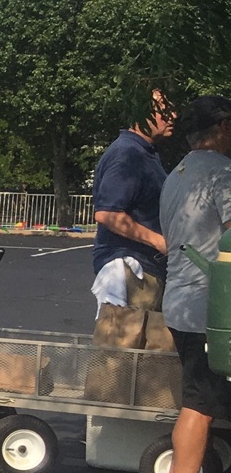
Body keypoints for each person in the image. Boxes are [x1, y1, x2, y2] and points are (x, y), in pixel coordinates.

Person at [149, 94, 231, 473]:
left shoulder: (176, 174)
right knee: (201, 403)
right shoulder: (222, 174)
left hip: (181, 301)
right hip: (212, 311)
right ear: (222, 128)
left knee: (197, 400)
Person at [90, 90, 176, 323]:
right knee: (122, 352)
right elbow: (108, 214)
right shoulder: (127, 153)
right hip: (129, 269)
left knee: (144, 352)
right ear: (142, 114)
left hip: (145, 268)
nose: (173, 116)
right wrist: (159, 242)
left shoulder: (145, 152)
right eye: (165, 111)